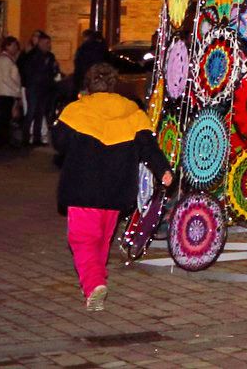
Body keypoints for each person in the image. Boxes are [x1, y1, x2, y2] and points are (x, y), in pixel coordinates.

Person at [52, 62, 174, 312]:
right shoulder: (132, 112)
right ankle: (97, 280)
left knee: (83, 240)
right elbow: (148, 147)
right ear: (113, 84)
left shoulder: (75, 111)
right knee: (101, 241)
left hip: (83, 189)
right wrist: (163, 170)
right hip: (116, 190)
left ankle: (94, 283)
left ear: (88, 86)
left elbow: (59, 143)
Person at [20, 33, 59, 147]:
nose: (49, 45)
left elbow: (52, 71)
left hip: (44, 88)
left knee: (40, 113)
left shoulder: (50, 56)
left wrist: (54, 70)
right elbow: (29, 71)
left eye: (49, 43)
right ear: (41, 43)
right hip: (34, 87)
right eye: (46, 43)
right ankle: (25, 138)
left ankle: (37, 138)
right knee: (31, 112)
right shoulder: (32, 55)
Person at [0, 37, 24, 149]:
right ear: (7, 46)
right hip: (6, 93)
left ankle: (2, 140)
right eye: (13, 45)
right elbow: (6, 78)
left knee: (5, 118)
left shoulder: (8, 59)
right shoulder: (4, 60)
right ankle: (0, 141)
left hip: (8, 92)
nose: (15, 48)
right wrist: (16, 89)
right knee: (4, 118)